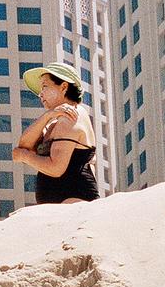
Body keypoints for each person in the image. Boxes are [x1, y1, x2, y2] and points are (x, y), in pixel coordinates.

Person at [12, 64, 100, 203]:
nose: (40, 94)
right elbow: (24, 145)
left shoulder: (72, 115)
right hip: (61, 205)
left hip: (74, 202)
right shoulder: (54, 119)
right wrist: (47, 116)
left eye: (45, 86)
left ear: (64, 87)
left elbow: (56, 168)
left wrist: (24, 156)